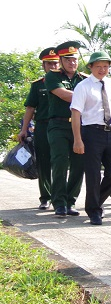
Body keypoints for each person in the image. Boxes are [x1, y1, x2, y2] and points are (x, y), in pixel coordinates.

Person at [70, 51, 111, 226]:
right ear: (91, 67)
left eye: (106, 66)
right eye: (99, 67)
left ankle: (94, 203)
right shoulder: (83, 86)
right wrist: (77, 139)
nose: (102, 70)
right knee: (93, 174)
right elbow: (75, 113)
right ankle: (94, 211)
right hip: (91, 133)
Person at [44, 40, 87, 218]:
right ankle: (59, 202)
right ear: (61, 60)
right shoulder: (52, 76)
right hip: (58, 125)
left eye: (74, 59)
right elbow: (63, 94)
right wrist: (88, 97)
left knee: (79, 165)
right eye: (68, 59)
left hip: (79, 126)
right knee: (60, 163)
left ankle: (70, 201)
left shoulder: (84, 79)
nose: (72, 63)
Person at [19, 47, 61, 210]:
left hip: (62, 125)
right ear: (43, 66)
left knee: (60, 162)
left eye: (55, 64)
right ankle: (45, 197)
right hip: (43, 126)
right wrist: (24, 130)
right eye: (49, 64)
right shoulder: (37, 85)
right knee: (43, 162)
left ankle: (59, 195)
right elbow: (30, 108)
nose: (53, 67)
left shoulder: (67, 83)